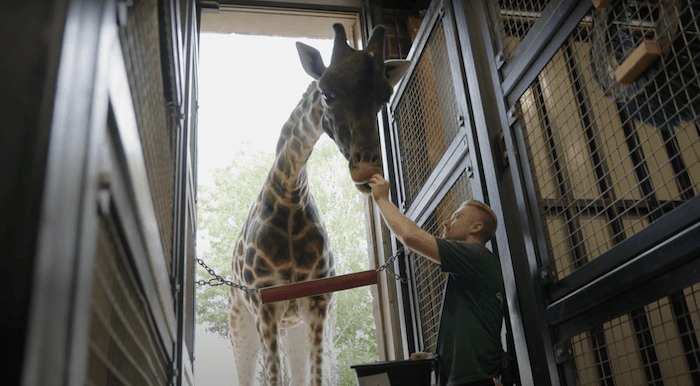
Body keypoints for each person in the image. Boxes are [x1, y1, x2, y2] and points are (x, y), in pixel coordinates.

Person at [368, 174, 505, 386]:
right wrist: (441, 360)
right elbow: (475, 337)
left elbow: (410, 237)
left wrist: (382, 199)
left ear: (476, 227)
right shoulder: (474, 267)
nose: (446, 222)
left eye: (456, 216)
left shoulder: (475, 254)